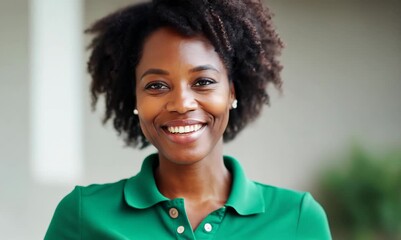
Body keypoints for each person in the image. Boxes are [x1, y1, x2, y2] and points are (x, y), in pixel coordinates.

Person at [45, 0, 332, 239]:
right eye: (156, 85)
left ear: (232, 92)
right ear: (135, 98)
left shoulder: (297, 220)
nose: (181, 104)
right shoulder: (83, 216)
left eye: (203, 81)